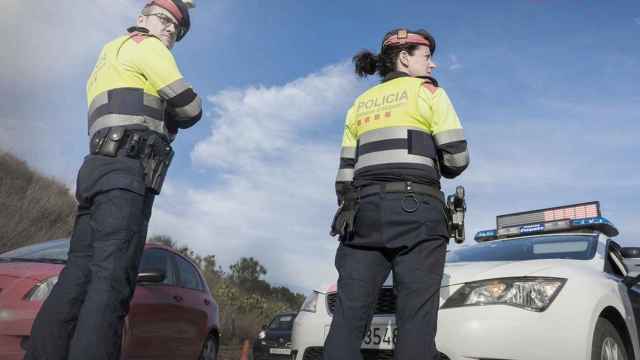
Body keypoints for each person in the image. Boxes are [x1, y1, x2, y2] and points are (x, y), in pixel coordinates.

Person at [25, 1, 201, 359]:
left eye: (176, 29)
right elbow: (191, 108)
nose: (169, 30)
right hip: (127, 173)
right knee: (112, 281)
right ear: (142, 20)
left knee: (76, 277)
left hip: (95, 169)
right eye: (165, 20)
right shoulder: (148, 47)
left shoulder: (108, 53)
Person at [325, 28, 469, 360]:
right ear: (405, 58)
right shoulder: (428, 92)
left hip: (360, 216)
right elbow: (457, 158)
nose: (432, 65)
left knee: (346, 322)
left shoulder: (359, 104)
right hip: (416, 211)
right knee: (415, 324)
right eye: (427, 57)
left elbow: (345, 175)